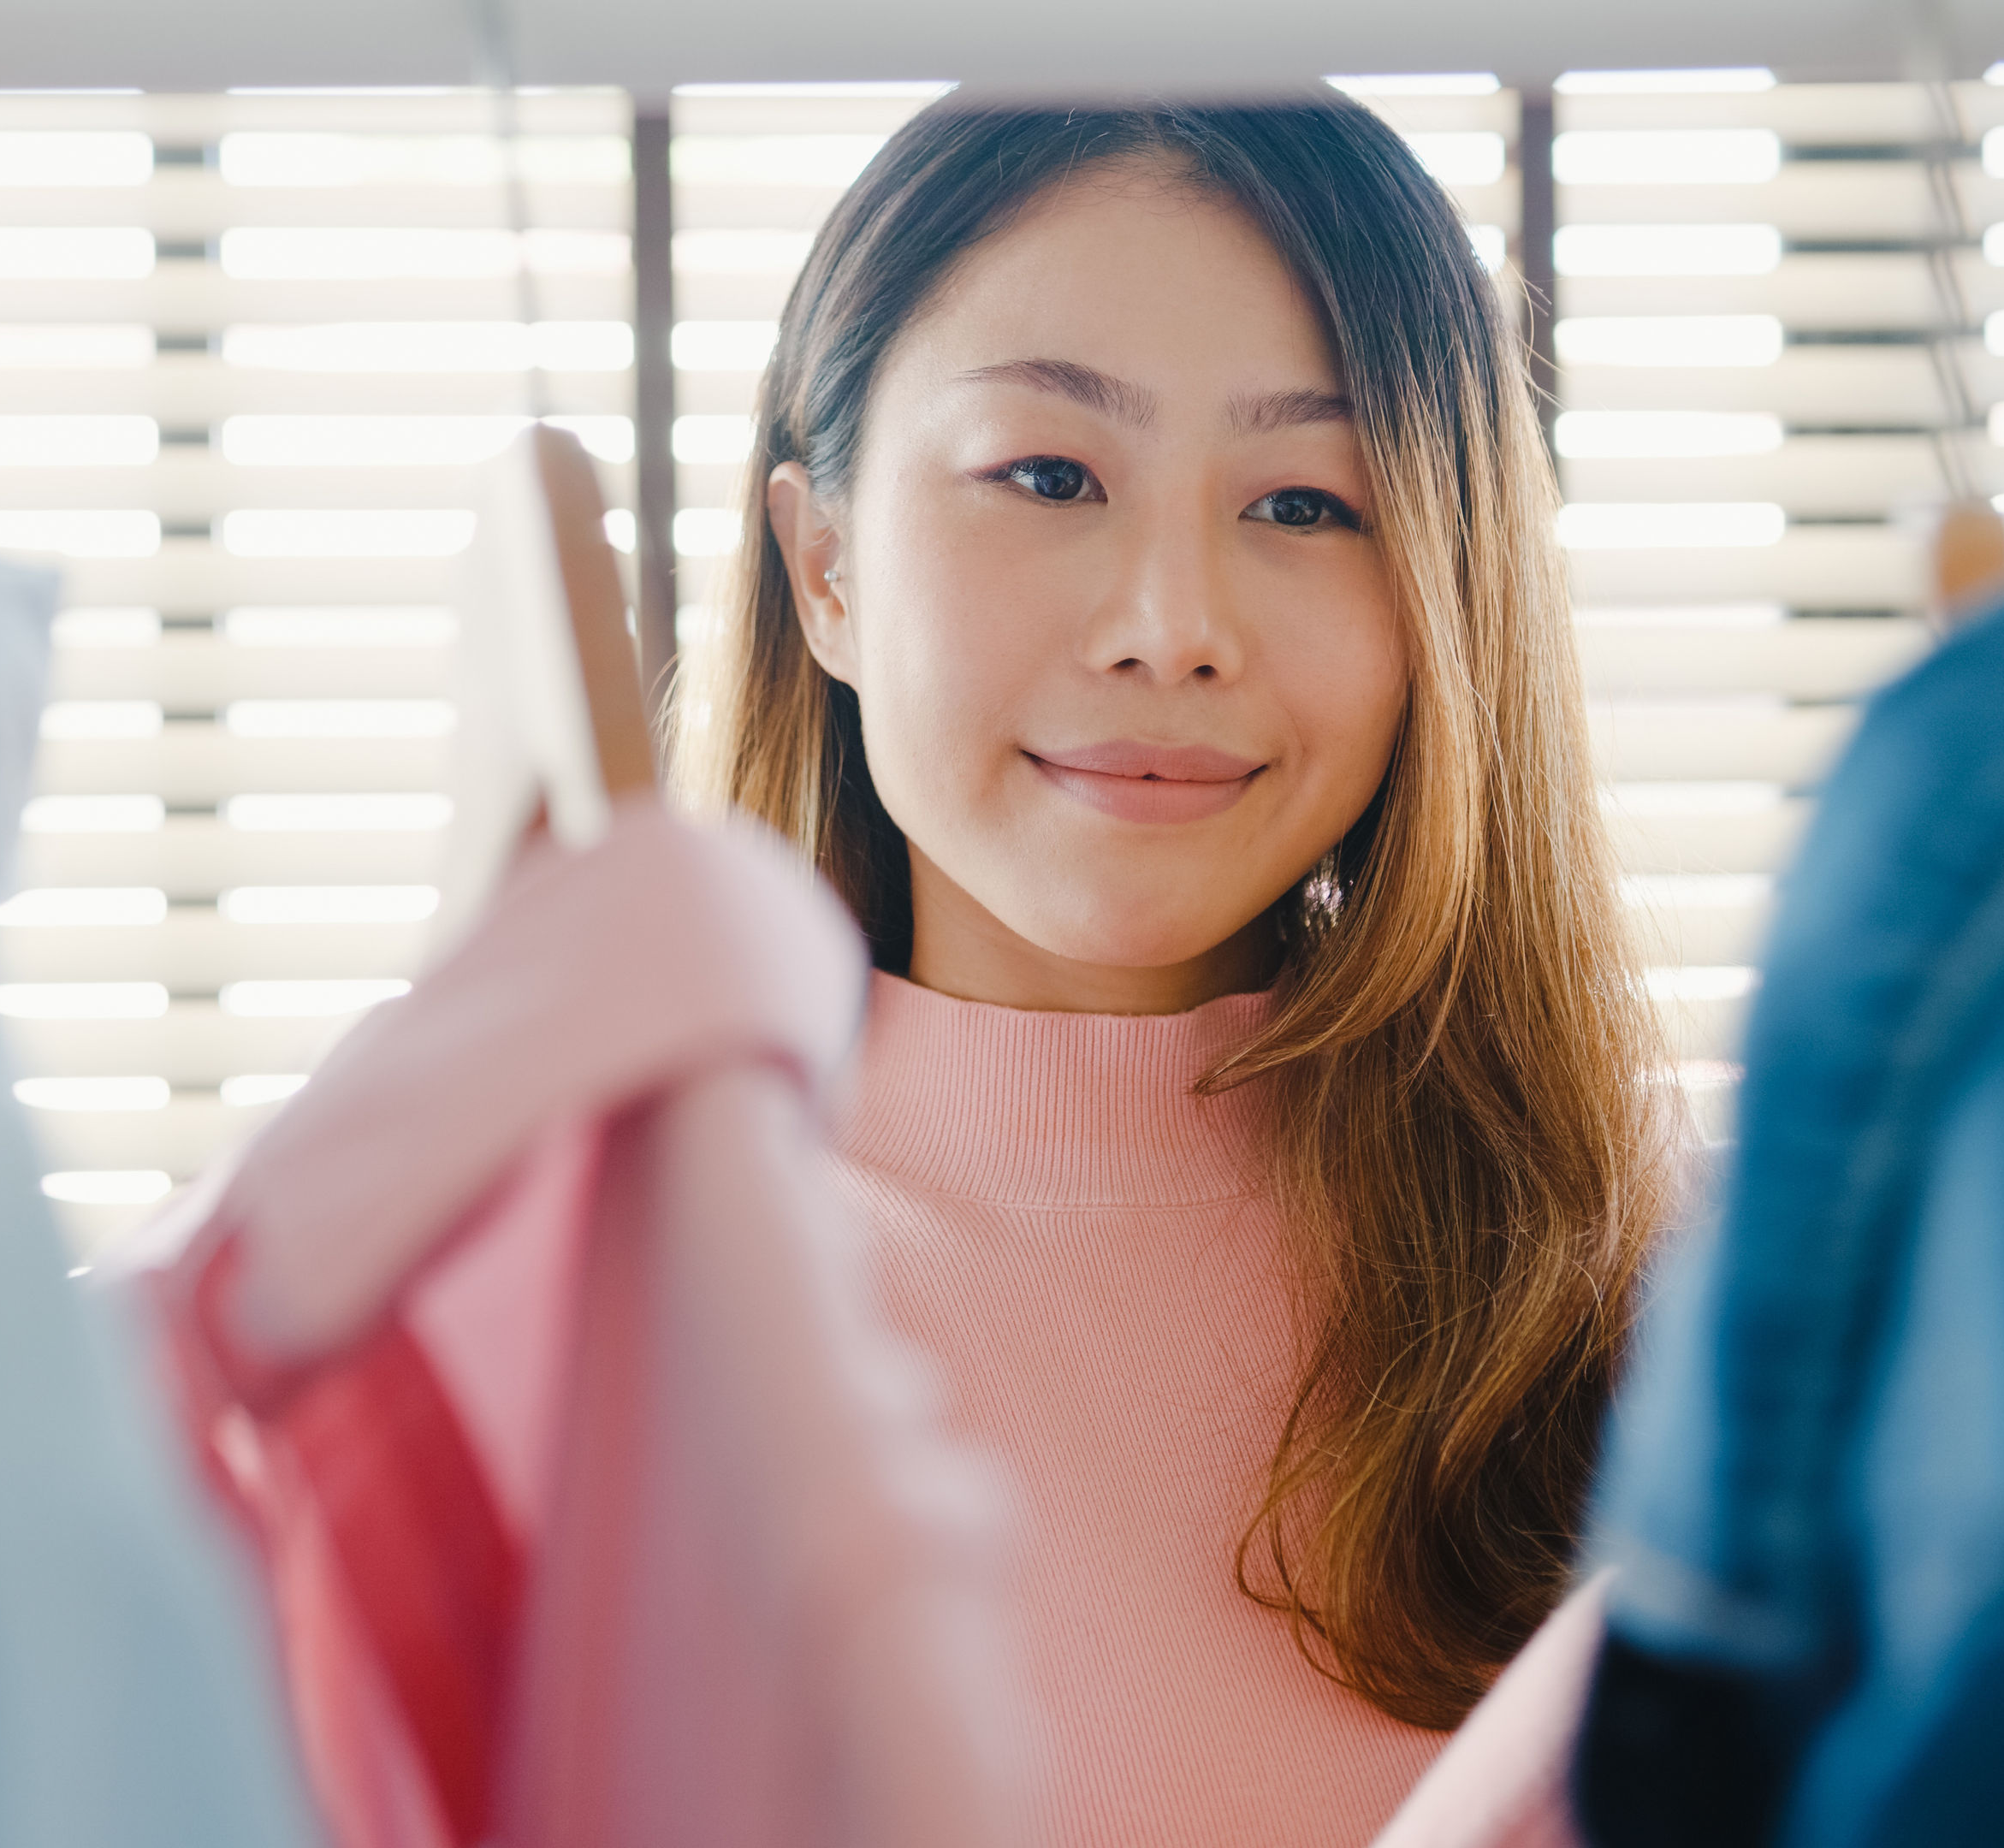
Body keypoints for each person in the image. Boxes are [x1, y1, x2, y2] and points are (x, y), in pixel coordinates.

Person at [671, 97, 1669, 1845]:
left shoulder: (1627, 1259)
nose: (1173, 623)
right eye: (1048, 476)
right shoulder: (614, 1269)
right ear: (824, 565)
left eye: (1306, 501)